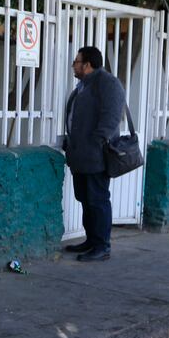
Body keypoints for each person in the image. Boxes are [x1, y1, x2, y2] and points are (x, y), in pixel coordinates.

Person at [63, 46, 125, 262]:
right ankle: (91, 240)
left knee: (98, 200)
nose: (74, 65)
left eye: (77, 62)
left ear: (87, 65)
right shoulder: (83, 85)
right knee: (85, 199)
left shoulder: (107, 83)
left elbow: (112, 117)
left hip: (96, 156)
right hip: (80, 156)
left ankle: (102, 246)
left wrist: (96, 142)